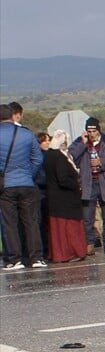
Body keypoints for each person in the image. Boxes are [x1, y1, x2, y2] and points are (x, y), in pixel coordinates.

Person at [0, 103, 46, 270]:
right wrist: (29, 174)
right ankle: (36, 257)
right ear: (12, 116)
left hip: (6, 185)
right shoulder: (26, 134)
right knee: (31, 222)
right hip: (27, 183)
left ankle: (14, 259)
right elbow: (38, 159)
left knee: (9, 224)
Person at [69, 117, 105, 255]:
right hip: (88, 183)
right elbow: (72, 158)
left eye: (94, 131)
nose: (91, 134)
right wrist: (83, 144)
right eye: (89, 131)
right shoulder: (80, 142)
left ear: (98, 130)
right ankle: (89, 243)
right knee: (88, 217)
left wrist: (101, 162)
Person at [42, 130, 89, 263]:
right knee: (69, 228)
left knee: (59, 229)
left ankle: (61, 253)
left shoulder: (49, 155)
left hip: (55, 199)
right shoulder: (58, 157)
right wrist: (76, 185)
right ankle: (72, 252)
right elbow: (62, 178)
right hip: (65, 199)